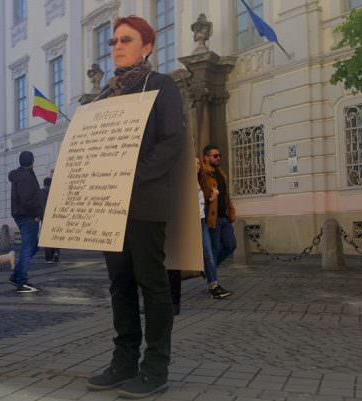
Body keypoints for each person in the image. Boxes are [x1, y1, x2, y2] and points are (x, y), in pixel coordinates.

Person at [85, 16, 183, 399]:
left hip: (144, 202)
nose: (116, 46)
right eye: (112, 41)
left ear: (147, 47)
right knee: (119, 285)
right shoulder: (102, 97)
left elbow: (171, 143)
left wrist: (131, 176)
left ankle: (155, 367)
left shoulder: (162, 86)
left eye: (126, 39)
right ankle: (123, 362)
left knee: (152, 284)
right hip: (108, 206)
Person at [196, 157, 232, 299]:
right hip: (191, 222)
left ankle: (213, 285)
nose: (198, 165)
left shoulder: (201, 181)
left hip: (202, 220)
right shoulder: (185, 182)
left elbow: (203, 201)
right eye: (195, 163)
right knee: (208, 252)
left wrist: (211, 197)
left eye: (199, 163)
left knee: (209, 252)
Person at [8, 151, 43, 293]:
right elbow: (27, 199)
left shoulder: (20, 175)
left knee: (32, 246)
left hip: (22, 215)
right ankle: (22, 282)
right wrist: (37, 213)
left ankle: (16, 276)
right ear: (31, 162)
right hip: (28, 216)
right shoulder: (26, 177)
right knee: (28, 248)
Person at [202, 145, 237, 266]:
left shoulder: (221, 174)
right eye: (215, 156)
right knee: (214, 248)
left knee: (231, 245)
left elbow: (226, 195)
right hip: (213, 217)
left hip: (224, 216)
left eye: (219, 156)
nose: (218, 158)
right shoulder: (203, 174)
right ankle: (213, 280)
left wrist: (230, 211)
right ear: (206, 157)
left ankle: (209, 267)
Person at [40, 177, 60, 263]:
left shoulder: (40, 193)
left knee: (47, 238)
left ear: (44, 184)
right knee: (55, 236)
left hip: (44, 218)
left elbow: (38, 206)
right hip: (55, 217)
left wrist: (39, 216)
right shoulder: (56, 192)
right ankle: (56, 252)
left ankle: (49, 258)